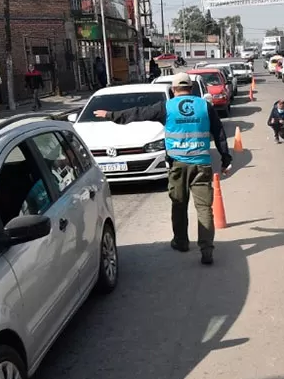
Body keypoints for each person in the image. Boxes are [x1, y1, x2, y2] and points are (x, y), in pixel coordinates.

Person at [94, 72, 232, 265]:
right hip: (201, 164)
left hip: (178, 165)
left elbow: (138, 113)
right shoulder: (205, 106)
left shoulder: (167, 107)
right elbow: (219, 133)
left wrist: (111, 115)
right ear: (191, 89)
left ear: (174, 89)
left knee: (179, 204)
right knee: (204, 209)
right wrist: (225, 158)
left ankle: (181, 242)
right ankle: (206, 249)